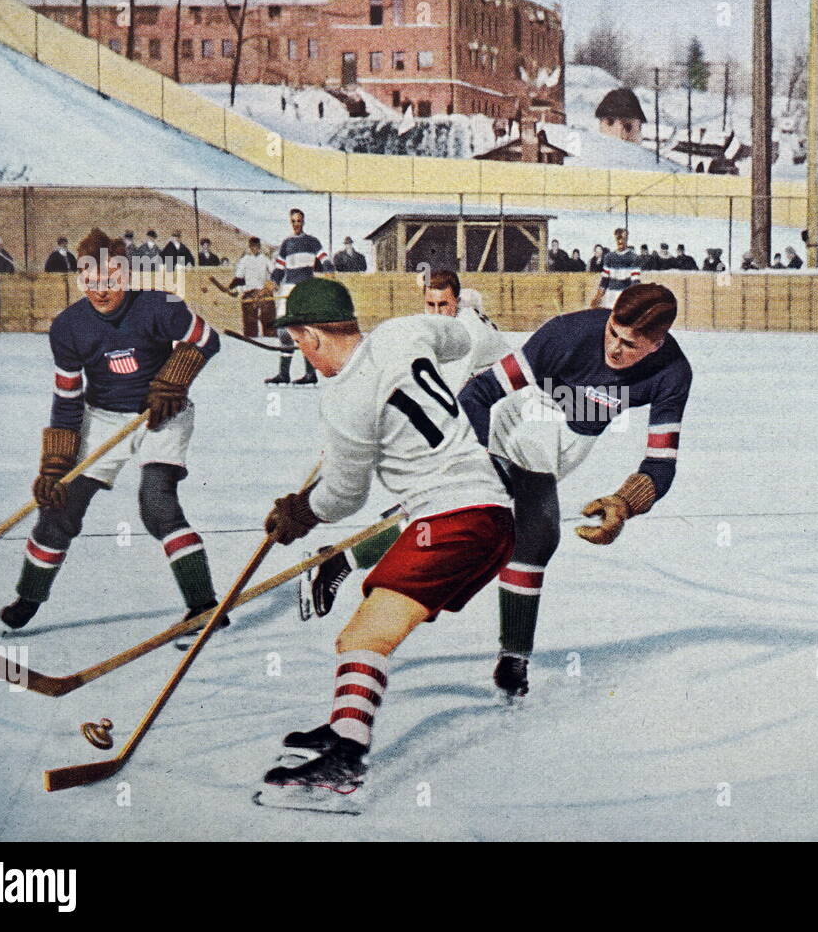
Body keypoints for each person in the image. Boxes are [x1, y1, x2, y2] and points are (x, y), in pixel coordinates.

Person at [255, 279, 514, 808]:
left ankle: (345, 763)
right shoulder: (403, 332)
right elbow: (464, 342)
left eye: (300, 343)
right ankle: (343, 729)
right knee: (364, 630)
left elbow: (345, 497)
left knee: (364, 637)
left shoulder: (346, 400)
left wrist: (299, 512)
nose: (303, 355)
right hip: (489, 512)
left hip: (452, 518)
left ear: (314, 336)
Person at [457, 284, 692, 698]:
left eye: (630, 344)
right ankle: (514, 659)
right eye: (612, 333)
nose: (615, 349)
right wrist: (483, 462)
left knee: (456, 518)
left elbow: (661, 463)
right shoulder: (568, 334)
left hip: (572, 443)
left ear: (657, 344)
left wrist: (626, 501)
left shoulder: (673, 372)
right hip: (524, 418)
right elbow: (476, 394)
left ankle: (344, 559)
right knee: (535, 531)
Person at [0, 228, 222, 630]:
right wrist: (55, 463)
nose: (101, 291)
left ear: (128, 275)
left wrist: (173, 379)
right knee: (60, 505)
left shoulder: (161, 304)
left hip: (162, 415)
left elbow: (206, 339)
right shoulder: (68, 327)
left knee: (157, 505)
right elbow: (67, 398)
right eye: (90, 281)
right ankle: (29, 596)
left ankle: (204, 605)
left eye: (111, 280)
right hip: (101, 416)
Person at [303, 269, 513, 619]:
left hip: (505, 422)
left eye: (443, 304)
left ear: (456, 303)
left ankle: (342, 557)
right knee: (447, 509)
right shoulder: (450, 319)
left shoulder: (468, 334)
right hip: (487, 418)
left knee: (454, 507)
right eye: (429, 304)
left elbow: (443, 399)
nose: (435, 312)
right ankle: (340, 559)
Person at [264, 208, 334, 385]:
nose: (296, 224)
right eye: (293, 221)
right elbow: (280, 269)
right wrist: (273, 281)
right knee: (283, 330)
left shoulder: (312, 242)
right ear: (290, 222)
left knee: (304, 332)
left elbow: (325, 259)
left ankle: (310, 375)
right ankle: (284, 374)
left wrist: (329, 271)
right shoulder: (286, 244)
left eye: (299, 221)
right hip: (288, 289)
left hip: (305, 289)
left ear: (303, 222)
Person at [227, 237, 275, 338]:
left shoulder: (265, 259)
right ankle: (250, 338)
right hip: (250, 291)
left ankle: (270, 337)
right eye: (252, 247)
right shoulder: (244, 260)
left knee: (268, 315)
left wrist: (274, 284)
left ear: (259, 247)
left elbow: (274, 273)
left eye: (257, 247)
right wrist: (232, 287)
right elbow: (238, 277)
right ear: (249, 247)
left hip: (263, 291)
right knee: (250, 320)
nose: (255, 249)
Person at [593, 228, 641, 308]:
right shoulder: (608, 257)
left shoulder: (634, 258)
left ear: (626, 239)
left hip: (625, 300)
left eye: (623, 238)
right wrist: (597, 298)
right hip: (609, 299)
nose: (620, 241)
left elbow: (635, 282)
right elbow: (604, 281)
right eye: (618, 239)